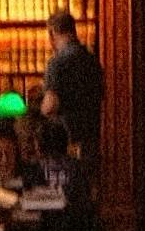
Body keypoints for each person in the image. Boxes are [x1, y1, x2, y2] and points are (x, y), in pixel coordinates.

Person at [41, 8, 104, 162]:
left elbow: (51, 105)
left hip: (65, 144)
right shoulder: (92, 61)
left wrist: (39, 109)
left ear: (53, 33)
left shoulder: (57, 63)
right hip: (92, 142)